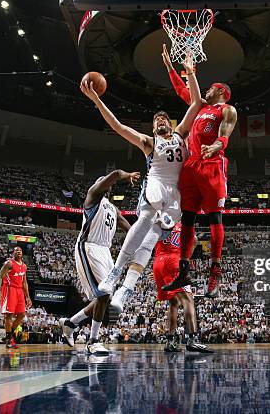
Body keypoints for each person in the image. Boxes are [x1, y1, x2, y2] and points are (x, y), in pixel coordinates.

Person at [80, 53, 202, 307]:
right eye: (154, 120)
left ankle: (127, 287)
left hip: (176, 194)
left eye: (161, 119)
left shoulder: (180, 134)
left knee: (152, 238)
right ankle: (115, 273)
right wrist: (96, 101)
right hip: (155, 183)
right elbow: (118, 126)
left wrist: (189, 72)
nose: (158, 122)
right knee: (146, 220)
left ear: (169, 123)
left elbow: (197, 103)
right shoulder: (148, 141)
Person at [161, 44, 238, 298]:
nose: (207, 90)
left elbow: (225, 132)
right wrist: (171, 68)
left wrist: (217, 145)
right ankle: (184, 268)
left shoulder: (226, 109)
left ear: (221, 91)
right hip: (191, 165)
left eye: (211, 88)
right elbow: (182, 89)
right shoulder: (201, 107)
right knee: (188, 217)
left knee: (215, 217)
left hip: (212, 164)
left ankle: (215, 269)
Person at [59, 170, 136, 355]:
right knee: (103, 294)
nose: (104, 183)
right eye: (102, 180)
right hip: (89, 247)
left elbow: (131, 229)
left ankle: (70, 323)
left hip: (105, 252)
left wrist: (145, 239)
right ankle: (92, 340)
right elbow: (116, 173)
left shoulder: (113, 209)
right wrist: (123, 176)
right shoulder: (92, 197)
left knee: (105, 297)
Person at [150, 222, 212, 352]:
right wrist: (186, 259)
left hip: (158, 262)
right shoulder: (182, 224)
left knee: (174, 303)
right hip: (174, 261)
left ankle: (170, 341)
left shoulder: (159, 221)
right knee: (187, 299)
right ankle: (193, 339)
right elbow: (194, 240)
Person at [0, 247, 32, 349]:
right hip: (9, 289)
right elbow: (0, 277)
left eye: (20, 251)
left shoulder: (24, 266)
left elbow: (24, 282)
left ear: (22, 253)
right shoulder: (9, 263)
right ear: (13, 253)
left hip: (19, 291)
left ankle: (9, 336)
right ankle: (9, 339)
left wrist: (28, 297)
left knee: (22, 314)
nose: (18, 252)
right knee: (9, 315)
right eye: (16, 250)